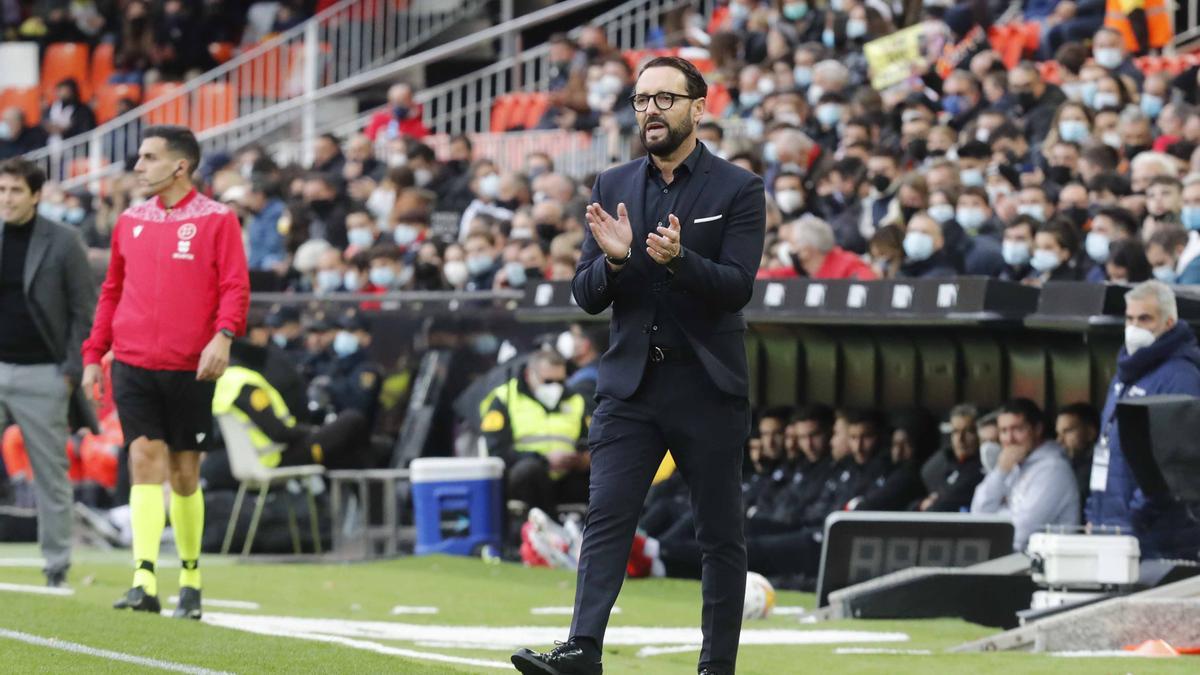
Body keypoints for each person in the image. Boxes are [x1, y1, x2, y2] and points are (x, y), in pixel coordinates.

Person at [512, 56, 765, 675]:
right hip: (630, 384)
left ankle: (716, 667)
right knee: (607, 516)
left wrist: (680, 261)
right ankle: (583, 648)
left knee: (719, 534)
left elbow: (737, 287)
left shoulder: (738, 188)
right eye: (642, 99)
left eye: (664, 99)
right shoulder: (612, 183)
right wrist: (617, 262)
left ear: (698, 107)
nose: (651, 110)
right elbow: (585, 293)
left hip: (706, 383)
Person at [81, 126, 250, 619]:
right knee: (143, 460)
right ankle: (144, 579)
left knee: (184, 475)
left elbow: (235, 285)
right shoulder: (130, 220)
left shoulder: (217, 219)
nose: (139, 166)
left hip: (189, 366)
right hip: (133, 362)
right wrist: (94, 353)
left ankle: (191, 580)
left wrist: (223, 335)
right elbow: (112, 291)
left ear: (180, 166)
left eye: (149, 157)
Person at [0, 158, 96, 587]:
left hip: (44, 374)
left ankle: (56, 565)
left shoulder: (63, 241)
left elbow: (83, 310)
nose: (6, 199)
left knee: (51, 474)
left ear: (36, 195)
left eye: (15, 191)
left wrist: (70, 372)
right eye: (1, 190)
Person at [1085, 281, 1200, 558]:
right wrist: (1094, 514)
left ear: (1169, 322)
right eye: (1130, 318)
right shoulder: (1125, 374)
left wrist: (1133, 519)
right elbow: (1106, 447)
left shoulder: (1180, 377)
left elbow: (1172, 466)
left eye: (1145, 319)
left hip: (1153, 536)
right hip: (1111, 528)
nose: (1134, 326)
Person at [480, 348, 589, 516]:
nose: (555, 387)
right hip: (525, 479)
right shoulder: (505, 398)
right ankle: (548, 524)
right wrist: (544, 460)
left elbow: (587, 439)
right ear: (528, 375)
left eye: (560, 381)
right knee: (529, 471)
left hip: (566, 476)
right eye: (548, 381)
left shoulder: (575, 400)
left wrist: (584, 458)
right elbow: (497, 451)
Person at [970, 399, 1079, 552]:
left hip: (1044, 562)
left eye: (1017, 429)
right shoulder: (1011, 466)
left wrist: (998, 514)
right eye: (1003, 431)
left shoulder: (1054, 469)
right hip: (1013, 559)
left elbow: (1020, 533)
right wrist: (1000, 471)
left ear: (1037, 429)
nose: (1009, 439)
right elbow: (977, 514)